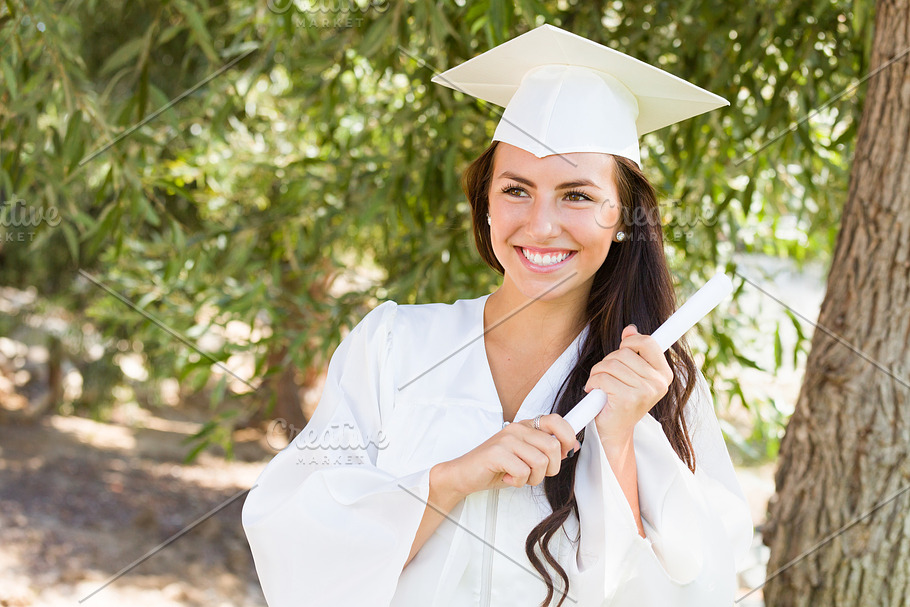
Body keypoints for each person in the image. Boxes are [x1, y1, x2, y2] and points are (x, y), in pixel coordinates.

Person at [242, 24, 753, 607]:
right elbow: (294, 538)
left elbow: (690, 592)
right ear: (485, 202)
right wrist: (453, 477)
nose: (540, 225)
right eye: (516, 190)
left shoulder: (657, 383)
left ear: (621, 218)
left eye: (577, 195)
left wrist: (618, 438)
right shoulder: (393, 345)